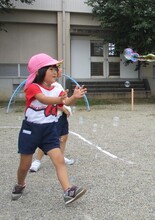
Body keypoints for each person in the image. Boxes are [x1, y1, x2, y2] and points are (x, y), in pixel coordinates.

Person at [12, 53, 87, 204]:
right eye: (51, 69)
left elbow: (65, 102)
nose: (55, 71)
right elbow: (43, 99)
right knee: (25, 165)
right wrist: (60, 99)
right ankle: (20, 184)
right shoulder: (33, 87)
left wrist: (74, 97)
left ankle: (68, 191)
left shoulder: (57, 89)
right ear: (39, 72)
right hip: (30, 130)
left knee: (59, 160)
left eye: (56, 68)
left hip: (49, 130)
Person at [30, 70, 74, 172]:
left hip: (61, 116)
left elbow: (65, 100)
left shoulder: (57, 85)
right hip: (52, 117)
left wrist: (72, 100)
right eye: (56, 70)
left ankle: (61, 157)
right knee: (47, 139)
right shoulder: (45, 86)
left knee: (64, 136)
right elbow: (48, 101)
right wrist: (63, 108)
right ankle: (37, 161)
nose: (60, 71)